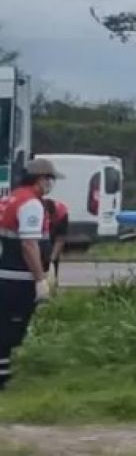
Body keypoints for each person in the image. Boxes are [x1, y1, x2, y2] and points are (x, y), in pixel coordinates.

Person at [0, 159, 63, 390]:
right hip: (20, 279)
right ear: (41, 179)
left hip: (6, 274)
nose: (51, 184)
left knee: (5, 325)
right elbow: (29, 244)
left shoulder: (12, 198)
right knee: (11, 328)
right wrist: (40, 280)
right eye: (50, 179)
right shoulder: (31, 204)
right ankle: (2, 378)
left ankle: (4, 373)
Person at [42, 199, 70, 290]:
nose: (49, 220)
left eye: (51, 218)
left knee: (53, 259)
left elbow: (60, 239)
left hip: (53, 235)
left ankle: (53, 287)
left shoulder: (61, 214)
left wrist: (52, 257)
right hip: (40, 236)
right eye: (47, 218)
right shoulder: (37, 211)